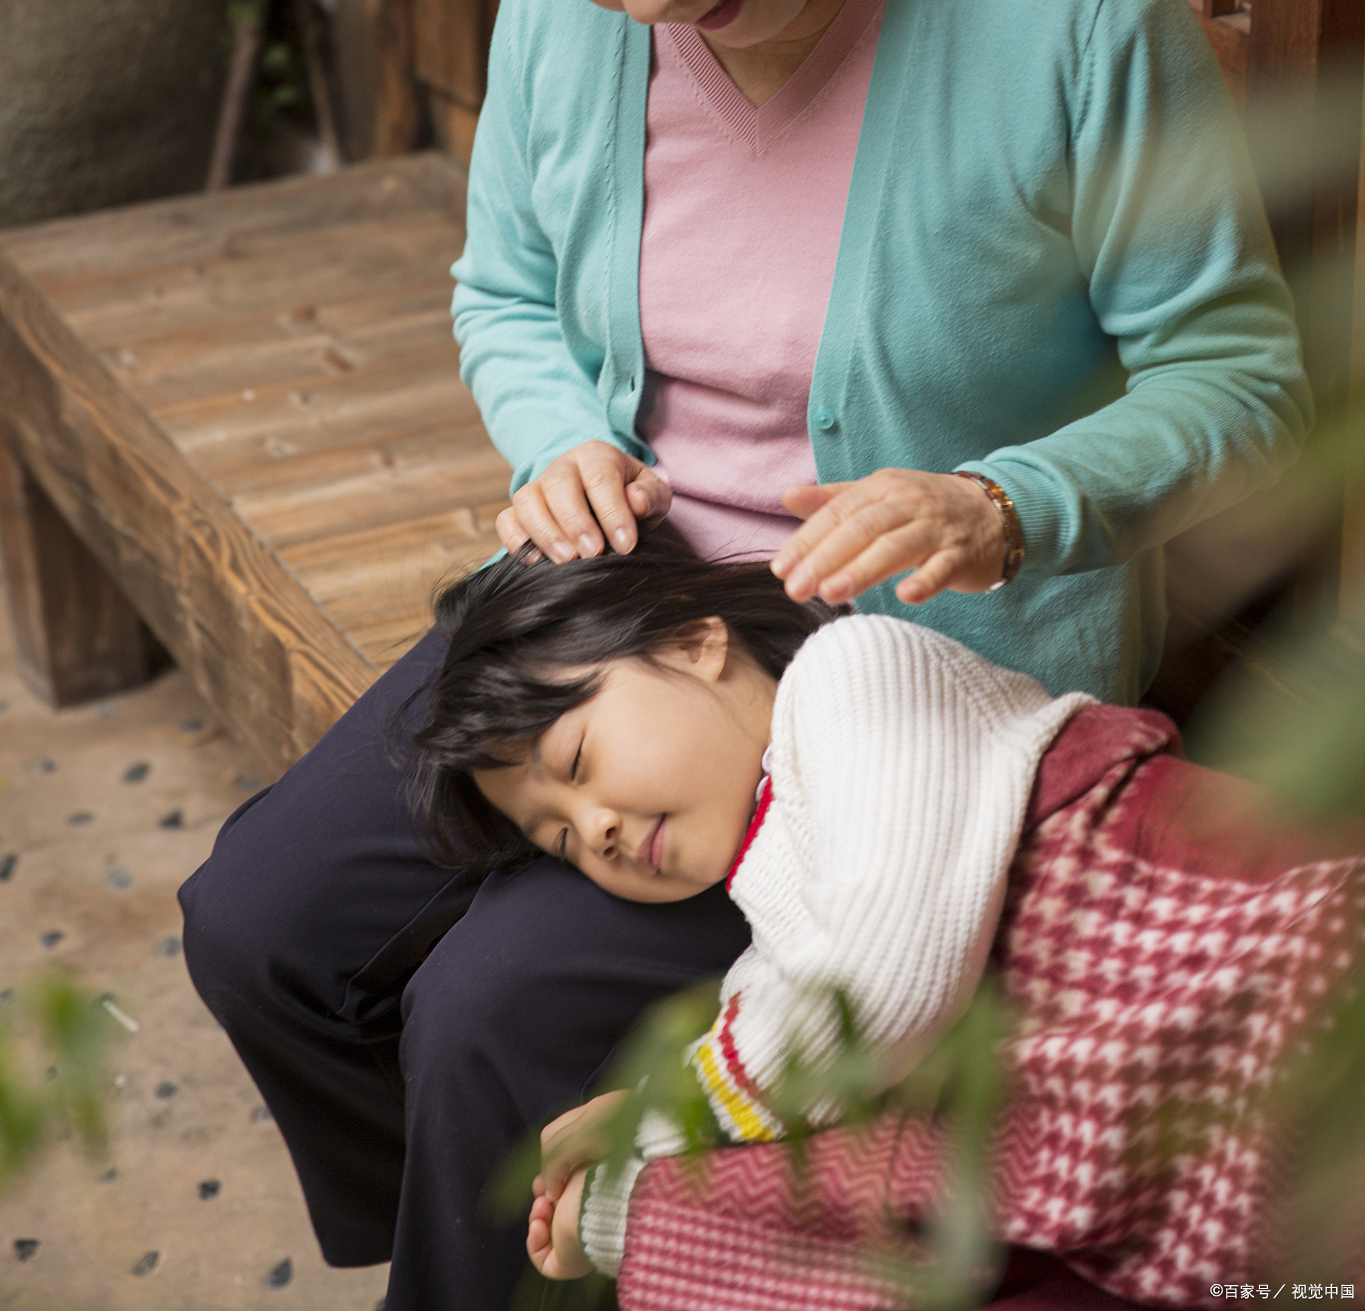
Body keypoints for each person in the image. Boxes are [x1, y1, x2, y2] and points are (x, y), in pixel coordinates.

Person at [181, 0, 1312, 1309]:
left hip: (880, 672)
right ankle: (515, 1253)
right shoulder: (578, 0)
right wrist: (554, 426)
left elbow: (1244, 381)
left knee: (487, 1009)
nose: (635, 0)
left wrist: (1005, 500)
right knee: (256, 928)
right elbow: (504, 296)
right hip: (617, 590)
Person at [407, 535, 1365, 1303]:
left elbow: (879, 998)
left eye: (576, 763)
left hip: (1250, 972)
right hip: (1132, 1123)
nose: (597, 827)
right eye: (560, 838)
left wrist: (660, 1124)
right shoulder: (767, 946)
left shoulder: (851, 674)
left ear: (693, 644)